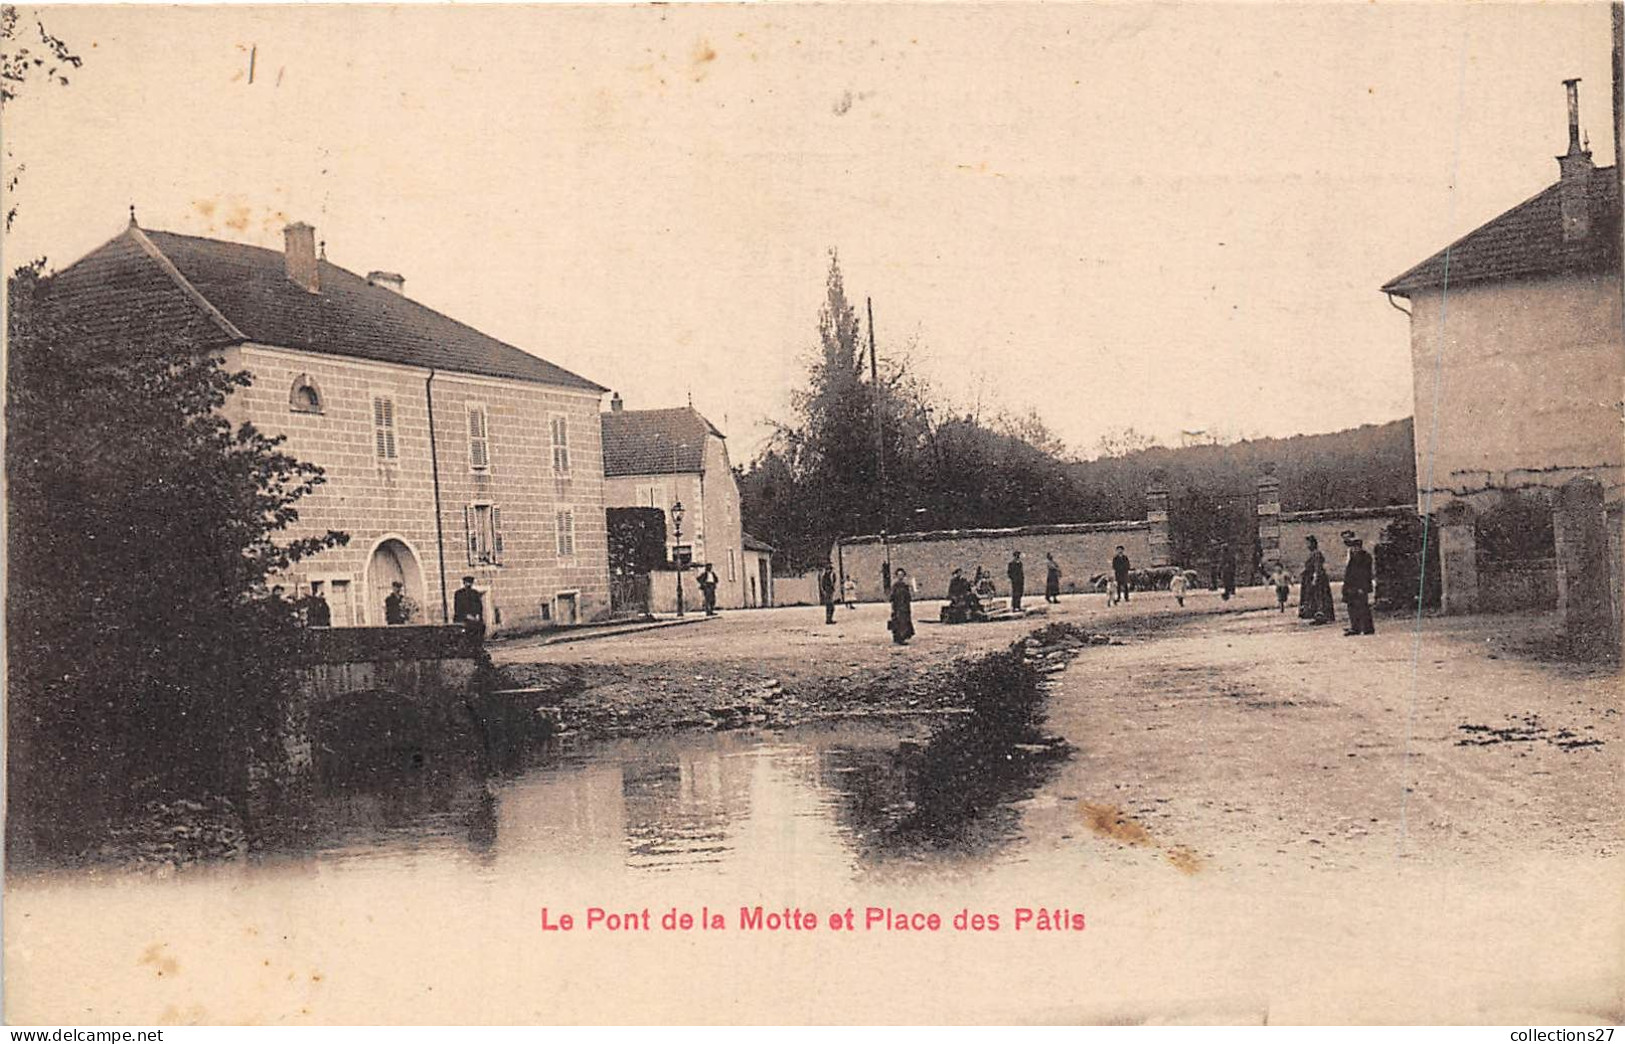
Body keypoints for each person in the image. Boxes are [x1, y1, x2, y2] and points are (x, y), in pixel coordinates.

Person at [1342, 532, 1376, 636]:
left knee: (1363, 607)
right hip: (1351, 586)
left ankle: (1367, 628)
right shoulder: (1353, 557)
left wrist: (1363, 587)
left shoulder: (1365, 557)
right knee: (1352, 607)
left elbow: (1366, 574)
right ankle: (1355, 627)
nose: (1353, 549)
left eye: (1354, 547)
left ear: (1358, 546)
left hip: (1360, 586)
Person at [1298, 536, 1335, 625]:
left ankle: (1321, 616)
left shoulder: (1316, 553)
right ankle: (1316, 615)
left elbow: (1317, 567)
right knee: (1312, 597)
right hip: (1309, 578)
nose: (1307, 545)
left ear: (1313, 544)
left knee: (1319, 597)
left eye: (1308, 543)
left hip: (1318, 579)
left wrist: (1315, 578)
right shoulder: (1312, 553)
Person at [887, 568, 915, 645]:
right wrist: (893, 606)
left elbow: (908, 597)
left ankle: (903, 637)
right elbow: (892, 597)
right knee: (897, 621)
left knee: (905, 622)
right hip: (897, 606)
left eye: (902, 575)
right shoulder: (895, 586)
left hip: (905, 607)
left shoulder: (905, 585)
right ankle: (898, 638)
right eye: (899, 575)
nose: (900, 576)